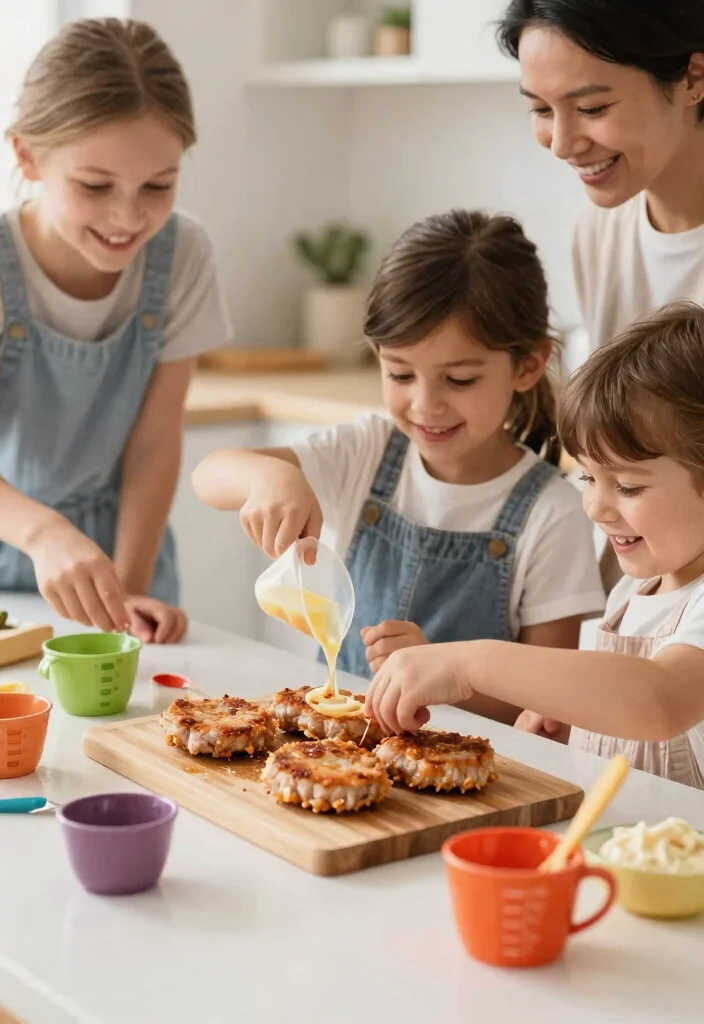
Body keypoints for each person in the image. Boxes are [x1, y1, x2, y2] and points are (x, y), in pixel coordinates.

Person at [192, 209, 603, 724]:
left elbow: (551, 705)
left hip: (467, 778)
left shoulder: (553, 513)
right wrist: (268, 476)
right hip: (334, 755)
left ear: (528, 365)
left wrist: (451, 675)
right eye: (401, 373)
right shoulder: (368, 448)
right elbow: (208, 473)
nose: (426, 405)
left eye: (459, 380)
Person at [366, 303, 704, 788]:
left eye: (628, 487)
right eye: (589, 478)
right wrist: (580, 722)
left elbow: (661, 699)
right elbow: (628, 709)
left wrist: (469, 662)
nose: (597, 507)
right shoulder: (638, 588)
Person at [0, 18, 231, 642]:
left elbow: (154, 442)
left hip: (125, 559)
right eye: (95, 185)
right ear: (26, 155)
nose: (128, 217)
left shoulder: (183, 255)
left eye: (158, 185)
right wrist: (44, 533)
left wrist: (126, 594)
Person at [498, 1, 704, 589]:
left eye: (592, 107)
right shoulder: (601, 232)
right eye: (540, 109)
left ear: (692, 78)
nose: (562, 143)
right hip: (648, 601)